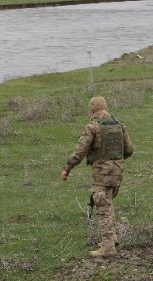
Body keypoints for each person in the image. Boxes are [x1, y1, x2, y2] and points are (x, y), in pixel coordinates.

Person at [61, 96, 134, 258]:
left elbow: (80, 152)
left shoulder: (93, 127)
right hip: (117, 172)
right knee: (107, 204)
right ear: (106, 107)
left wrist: (67, 168)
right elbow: (129, 150)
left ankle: (107, 248)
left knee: (102, 209)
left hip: (102, 174)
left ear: (92, 110)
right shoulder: (119, 125)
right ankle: (112, 238)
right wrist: (116, 162)